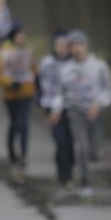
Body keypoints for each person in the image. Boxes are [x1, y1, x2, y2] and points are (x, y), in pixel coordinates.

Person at [49, 29, 111, 199]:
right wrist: (56, 110)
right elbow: (60, 92)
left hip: (94, 112)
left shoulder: (99, 66)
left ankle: (94, 155)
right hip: (75, 111)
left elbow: (109, 90)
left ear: (87, 46)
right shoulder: (66, 70)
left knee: (94, 152)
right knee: (82, 147)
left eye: (79, 45)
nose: (76, 49)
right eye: (73, 46)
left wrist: (99, 103)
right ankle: (85, 182)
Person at [0, 23, 37, 169]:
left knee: (23, 124)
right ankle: (11, 150)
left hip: (26, 93)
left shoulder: (28, 52)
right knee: (15, 123)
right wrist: (9, 82)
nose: (22, 38)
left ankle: (23, 154)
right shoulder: (4, 52)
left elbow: (34, 70)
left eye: (23, 36)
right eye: (19, 36)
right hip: (10, 94)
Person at [38, 31, 75, 187]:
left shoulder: (74, 64)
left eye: (66, 46)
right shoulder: (46, 63)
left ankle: (70, 166)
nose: (63, 49)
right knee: (60, 141)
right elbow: (38, 84)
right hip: (51, 106)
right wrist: (44, 105)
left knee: (70, 142)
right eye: (60, 45)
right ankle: (63, 175)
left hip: (71, 107)